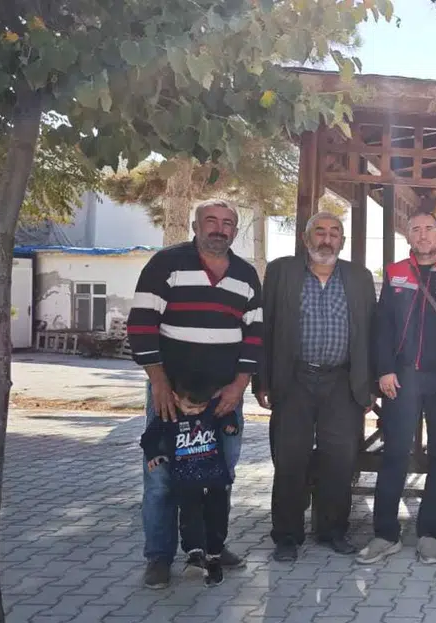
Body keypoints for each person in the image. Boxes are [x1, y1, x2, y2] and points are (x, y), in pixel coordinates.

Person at [127, 198, 261, 589]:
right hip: (172, 396)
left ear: (235, 230)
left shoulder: (245, 275)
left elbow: (255, 334)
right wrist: (158, 381)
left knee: (220, 475)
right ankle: (159, 557)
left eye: (228, 223)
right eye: (211, 221)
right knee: (162, 478)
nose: (219, 229)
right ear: (196, 226)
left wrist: (239, 386)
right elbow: (141, 324)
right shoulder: (166, 264)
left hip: (224, 399)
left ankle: (212, 548)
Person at [255, 212, 378, 562]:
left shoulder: (359, 277)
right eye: (320, 232)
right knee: (290, 458)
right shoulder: (282, 271)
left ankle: (332, 530)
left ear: (342, 240)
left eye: (334, 233)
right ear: (306, 238)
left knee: (339, 460)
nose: (327, 239)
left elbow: (371, 331)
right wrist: (262, 380)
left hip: (342, 381)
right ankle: (287, 536)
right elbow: (265, 326)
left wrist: (368, 384)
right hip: (293, 379)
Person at [359, 212, 436, 565]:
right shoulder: (395, 272)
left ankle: (429, 535)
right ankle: (385, 534)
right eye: (416, 230)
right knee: (395, 454)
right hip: (402, 378)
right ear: (408, 236)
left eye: (429, 229)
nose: (423, 235)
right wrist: (383, 369)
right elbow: (382, 325)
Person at [140, 373, 238, 587]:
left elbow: (229, 417)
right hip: (185, 480)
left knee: (217, 515)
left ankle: (214, 553)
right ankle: (193, 553)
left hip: (214, 477)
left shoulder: (212, 409)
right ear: (176, 398)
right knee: (190, 517)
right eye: (190, 408)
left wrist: (230, 426)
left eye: (201, 407)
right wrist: (155, 455)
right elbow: (148, 438)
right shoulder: (169, 415)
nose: (195, 412)